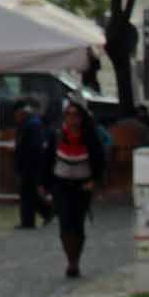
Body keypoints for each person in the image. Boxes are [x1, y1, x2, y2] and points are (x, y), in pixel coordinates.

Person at [47, 101, 109, 279]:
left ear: (81, 117)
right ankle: (71, 261)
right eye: (67, 114)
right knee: (65, 223)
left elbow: (99, 161)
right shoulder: (58, 135)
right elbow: (48, 160)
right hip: (61, 185)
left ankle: (76, 259)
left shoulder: (90, 136)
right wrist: (44, 185)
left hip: (82, 185)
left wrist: (95, 182)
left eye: (74, 114)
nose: (71, 118)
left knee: (78, 224)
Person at [12, 101, 54, 230]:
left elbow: (35, 147)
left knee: (27, 193)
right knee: (29, 194)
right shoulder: (29, 124)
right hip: (29, 165)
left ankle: (30, 220)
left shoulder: (32, 125)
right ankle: (42, 214)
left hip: (30, 166)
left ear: (22, 113)